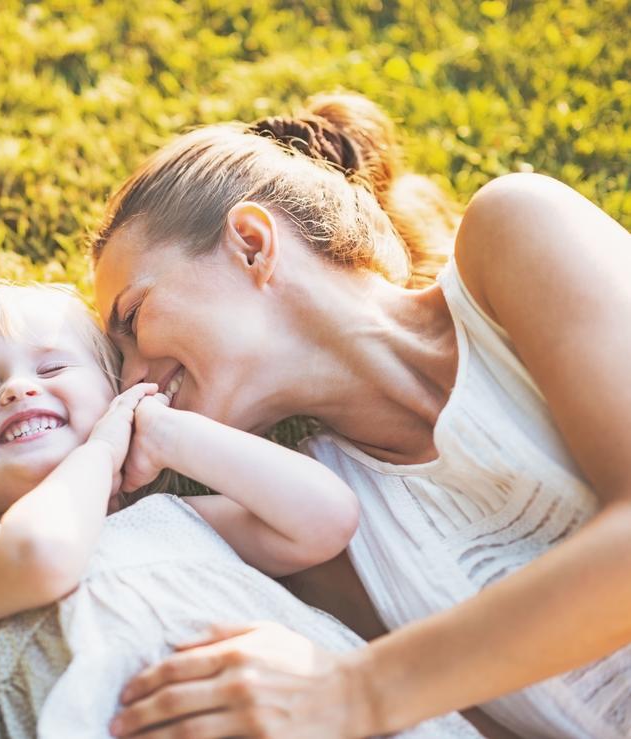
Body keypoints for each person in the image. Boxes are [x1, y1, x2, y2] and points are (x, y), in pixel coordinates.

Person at [91, 92, 631, 739]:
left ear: (251, 243)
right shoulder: (321, 538)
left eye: (132, 317)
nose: (130, 378)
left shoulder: (517, 231)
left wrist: (358, 689)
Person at [0, 284, 478, 738]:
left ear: (114, 397)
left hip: (302, 708)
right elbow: (46, 554)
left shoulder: (179, 519)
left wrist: (169, 434)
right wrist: (102, 450)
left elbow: (326, 517)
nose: (18, 391)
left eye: (51, 370)